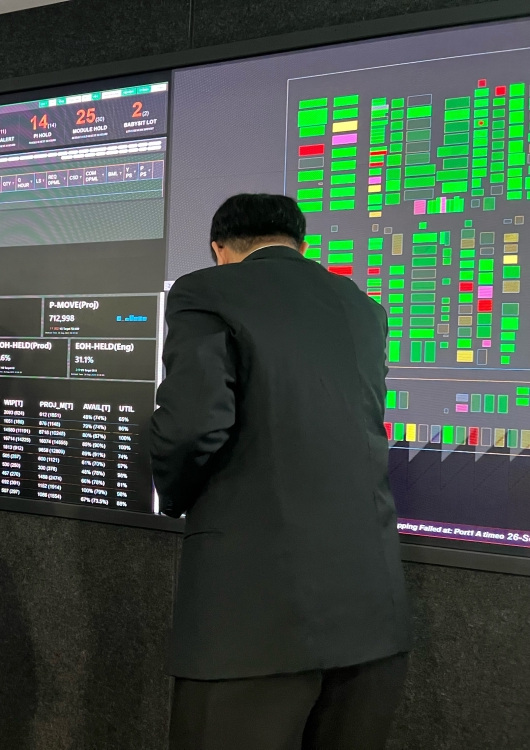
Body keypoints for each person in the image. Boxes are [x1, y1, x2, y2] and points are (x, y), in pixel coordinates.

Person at [151, 193, 412, 750]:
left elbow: (192, 426)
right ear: (301, 244)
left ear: (220, 249)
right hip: (372, 614)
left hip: (252, 619)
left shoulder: (207, 290)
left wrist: (172, 493)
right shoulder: (361, 306)